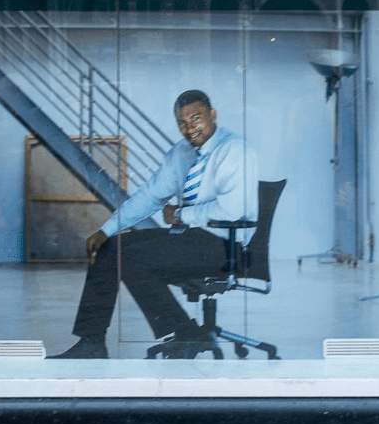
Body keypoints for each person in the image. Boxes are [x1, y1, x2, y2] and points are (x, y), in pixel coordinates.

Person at [55, 89, 259, 360]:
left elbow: (233, 212)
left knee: (132, 259)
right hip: (190, 238)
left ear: (213, 115)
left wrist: (180, 215)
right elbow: (150, 197)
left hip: (225, 245)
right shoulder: (182, 153)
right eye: (182, 123)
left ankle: (185, 333)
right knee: (109, 248)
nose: (189, 128)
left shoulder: (235, 150)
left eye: (196, 118)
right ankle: (91, 342)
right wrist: (106, 229)